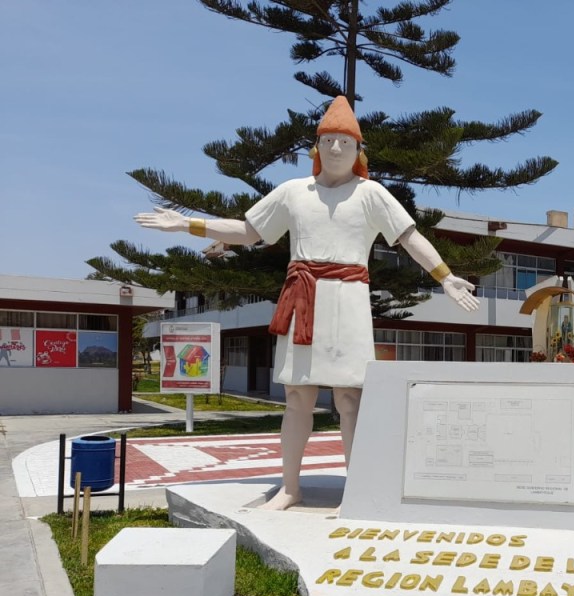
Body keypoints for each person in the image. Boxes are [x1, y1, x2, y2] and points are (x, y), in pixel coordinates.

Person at [136, 97, 480, 510]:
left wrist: (445, 276)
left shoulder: (372, 194)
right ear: (316, 149)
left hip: (349, 299)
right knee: (297, 395)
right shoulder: (292, 192)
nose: (336, 149)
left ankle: (357, 490)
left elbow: (409, 237)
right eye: (328, 141)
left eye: (345, 143)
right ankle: (290, 488)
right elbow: (248, 231)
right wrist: (187, 222)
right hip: (303, 299)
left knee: (349, 398)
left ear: (358, 151)